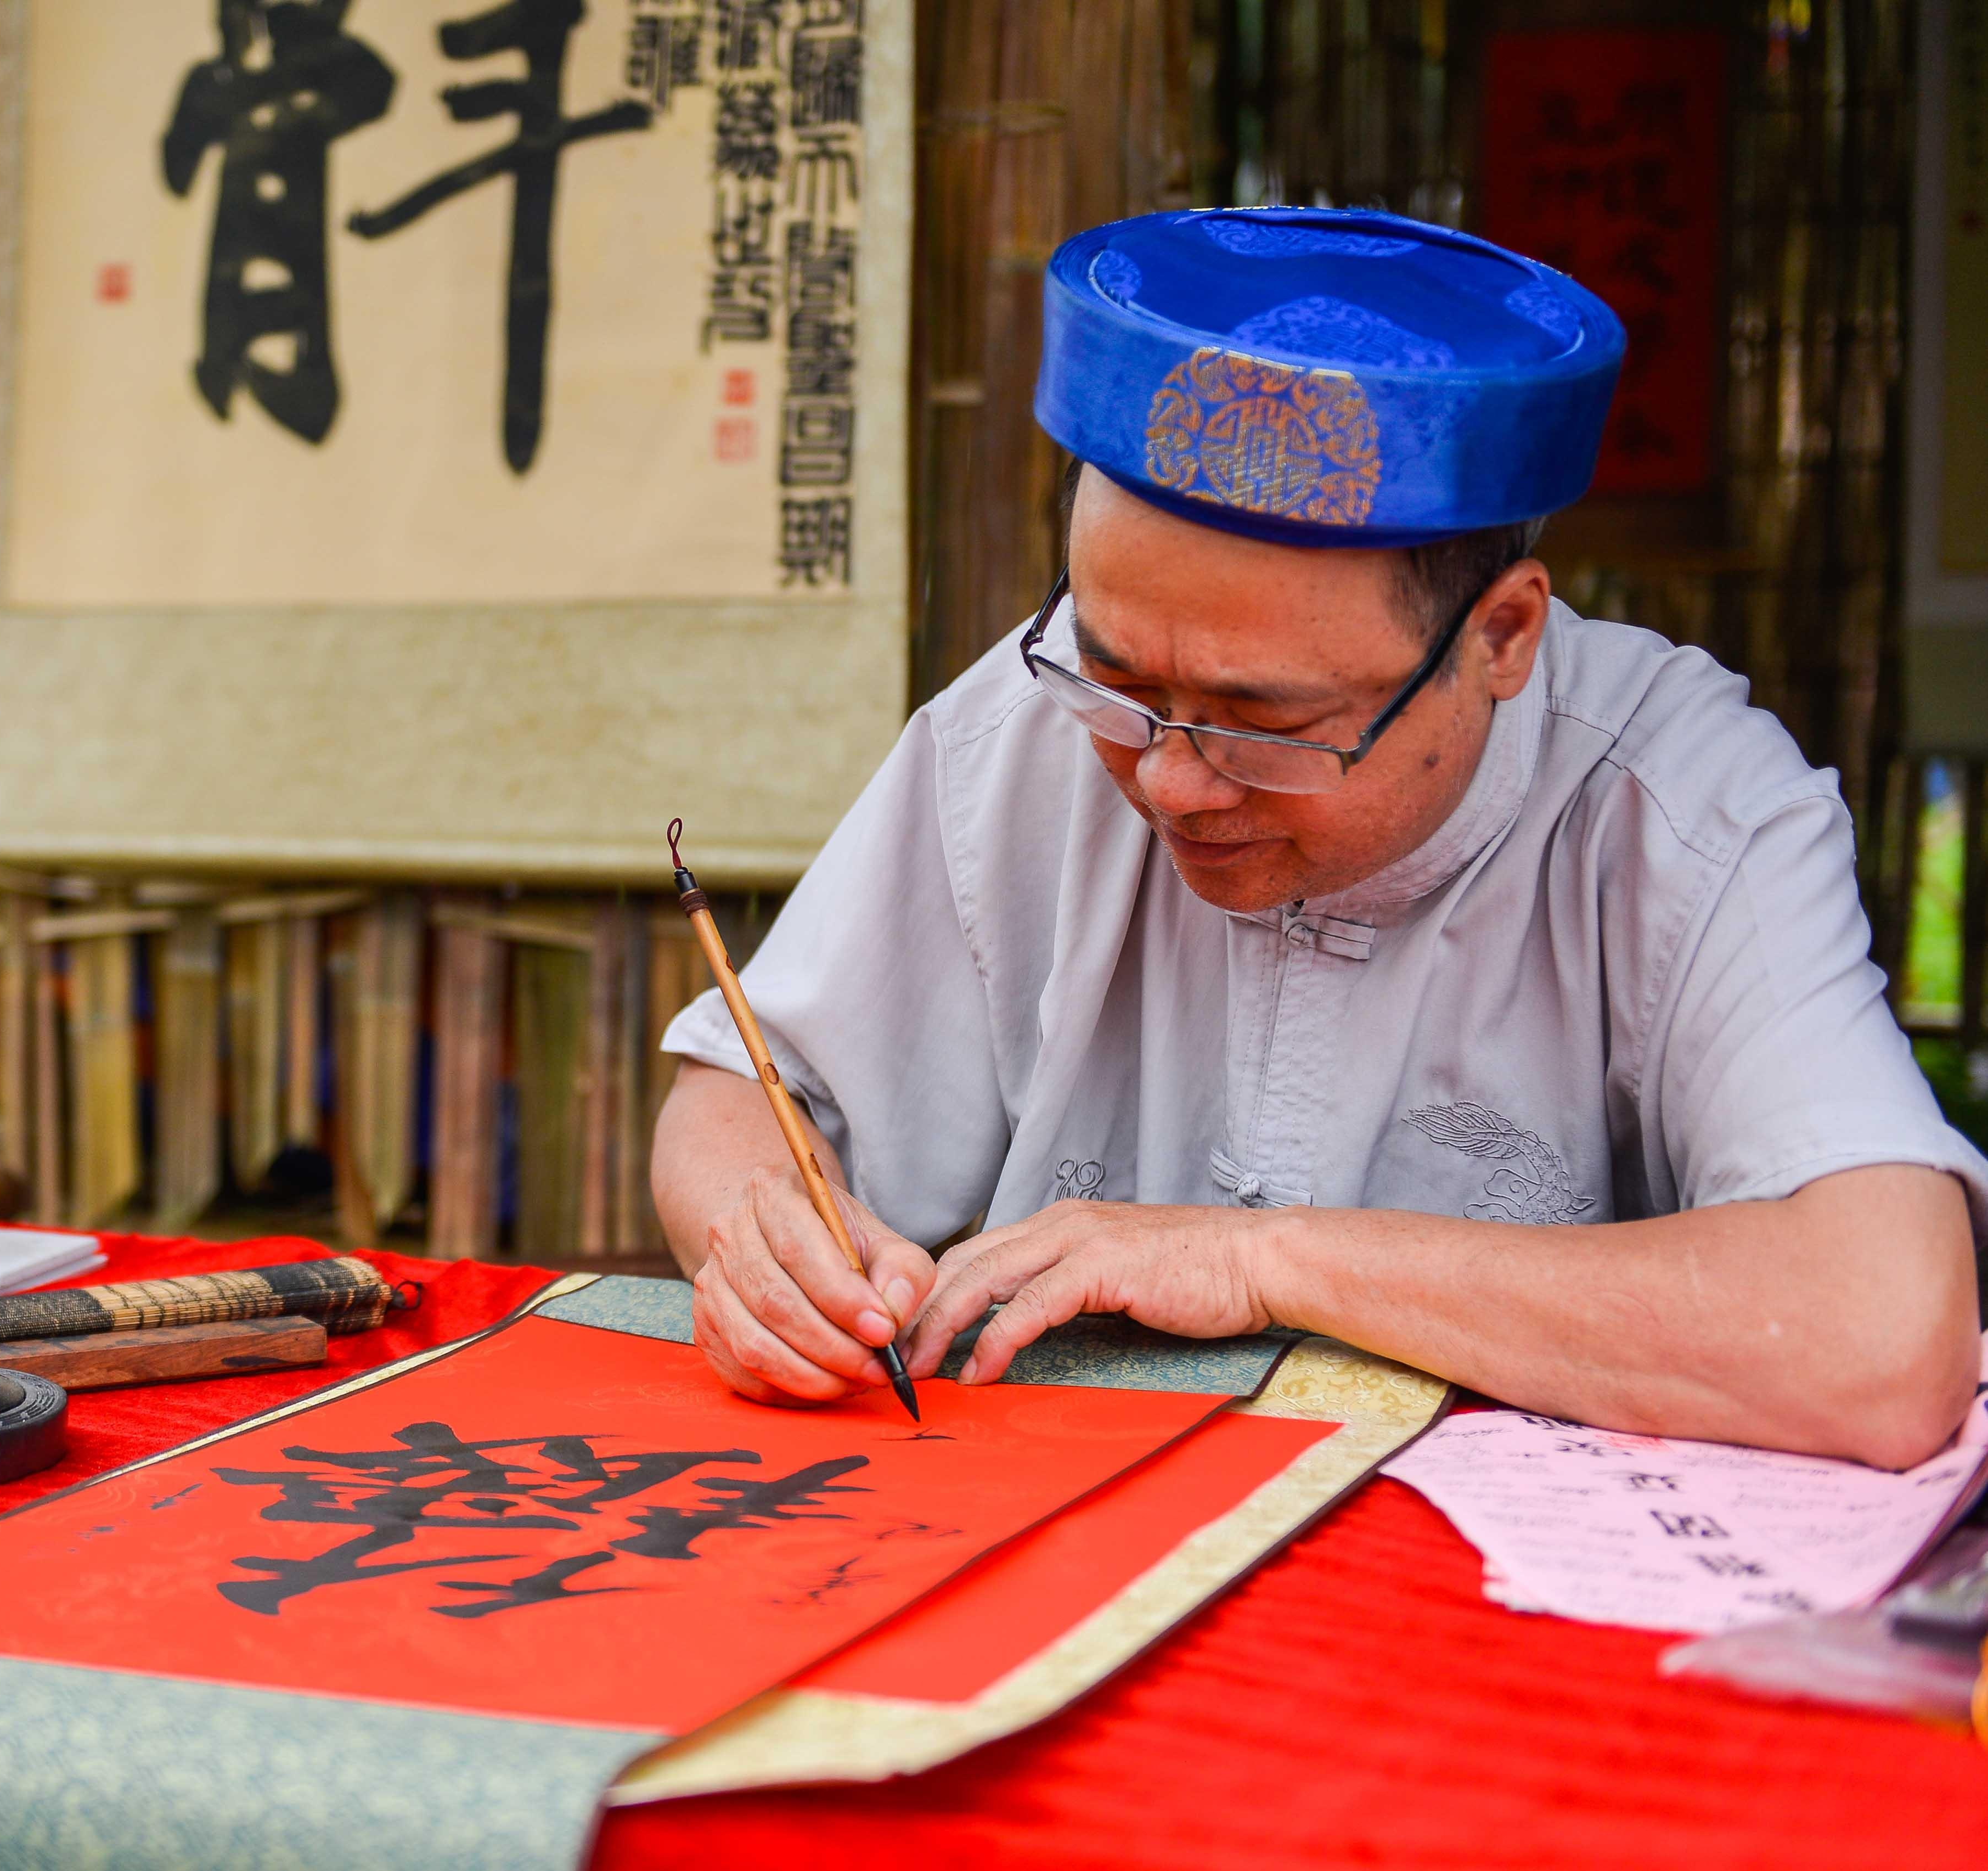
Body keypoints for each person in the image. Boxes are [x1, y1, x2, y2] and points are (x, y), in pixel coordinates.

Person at [655, 207, 1985, 1471]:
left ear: (1502, 638)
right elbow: (745, 1096)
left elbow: (1875, 1333)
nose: (1172, 779)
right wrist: (763, 1236)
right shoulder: (1033, 717)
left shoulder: (1676, 804)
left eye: (1262, 721)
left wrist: (1261, 1260)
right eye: (1122, 683)